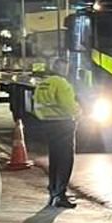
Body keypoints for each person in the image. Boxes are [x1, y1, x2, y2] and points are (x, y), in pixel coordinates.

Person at [34, 58, 80, 209]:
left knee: (54, 159)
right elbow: (69, 105)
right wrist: (79, 113)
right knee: (65, 160)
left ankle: (53, 192)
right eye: (66, 67)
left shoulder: (43, 83)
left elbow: (37, 105)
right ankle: (60, 194)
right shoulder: (62, 84)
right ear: (62, 68)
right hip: (63, 124)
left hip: (48, 123)